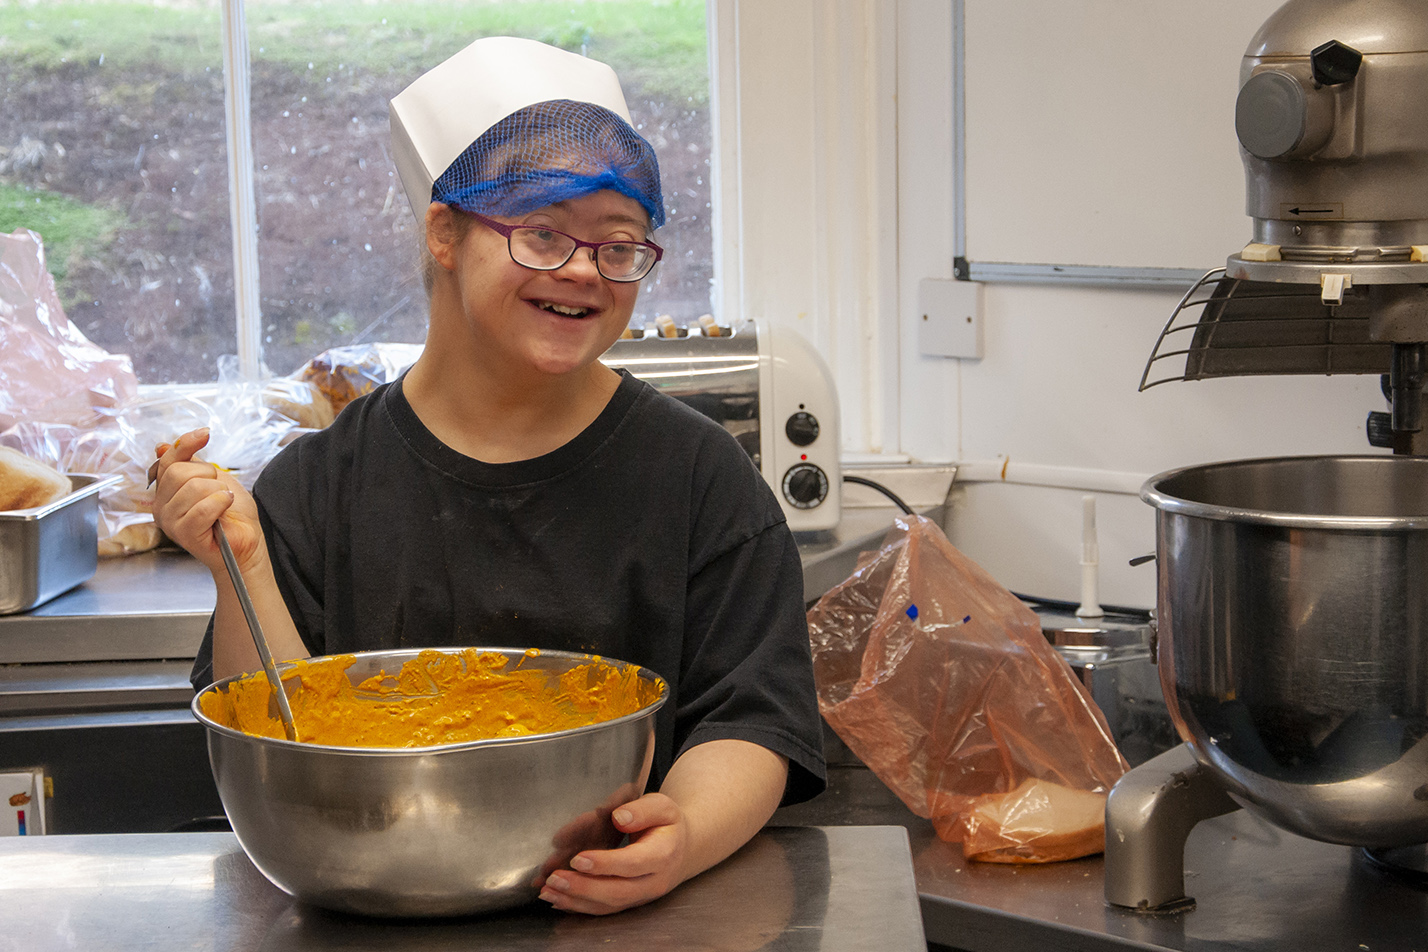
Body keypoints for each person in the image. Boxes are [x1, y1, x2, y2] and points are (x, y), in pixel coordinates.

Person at [152, 36, 826, 916]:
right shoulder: (321, 484)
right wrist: (237, 564)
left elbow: (752, 717)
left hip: (619, 918)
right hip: (367, 909)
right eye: (543, 234)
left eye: (619, 244)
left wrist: (688, 834)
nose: (585, 271)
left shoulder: (701, 477)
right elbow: (278, 734)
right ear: (444, 231)